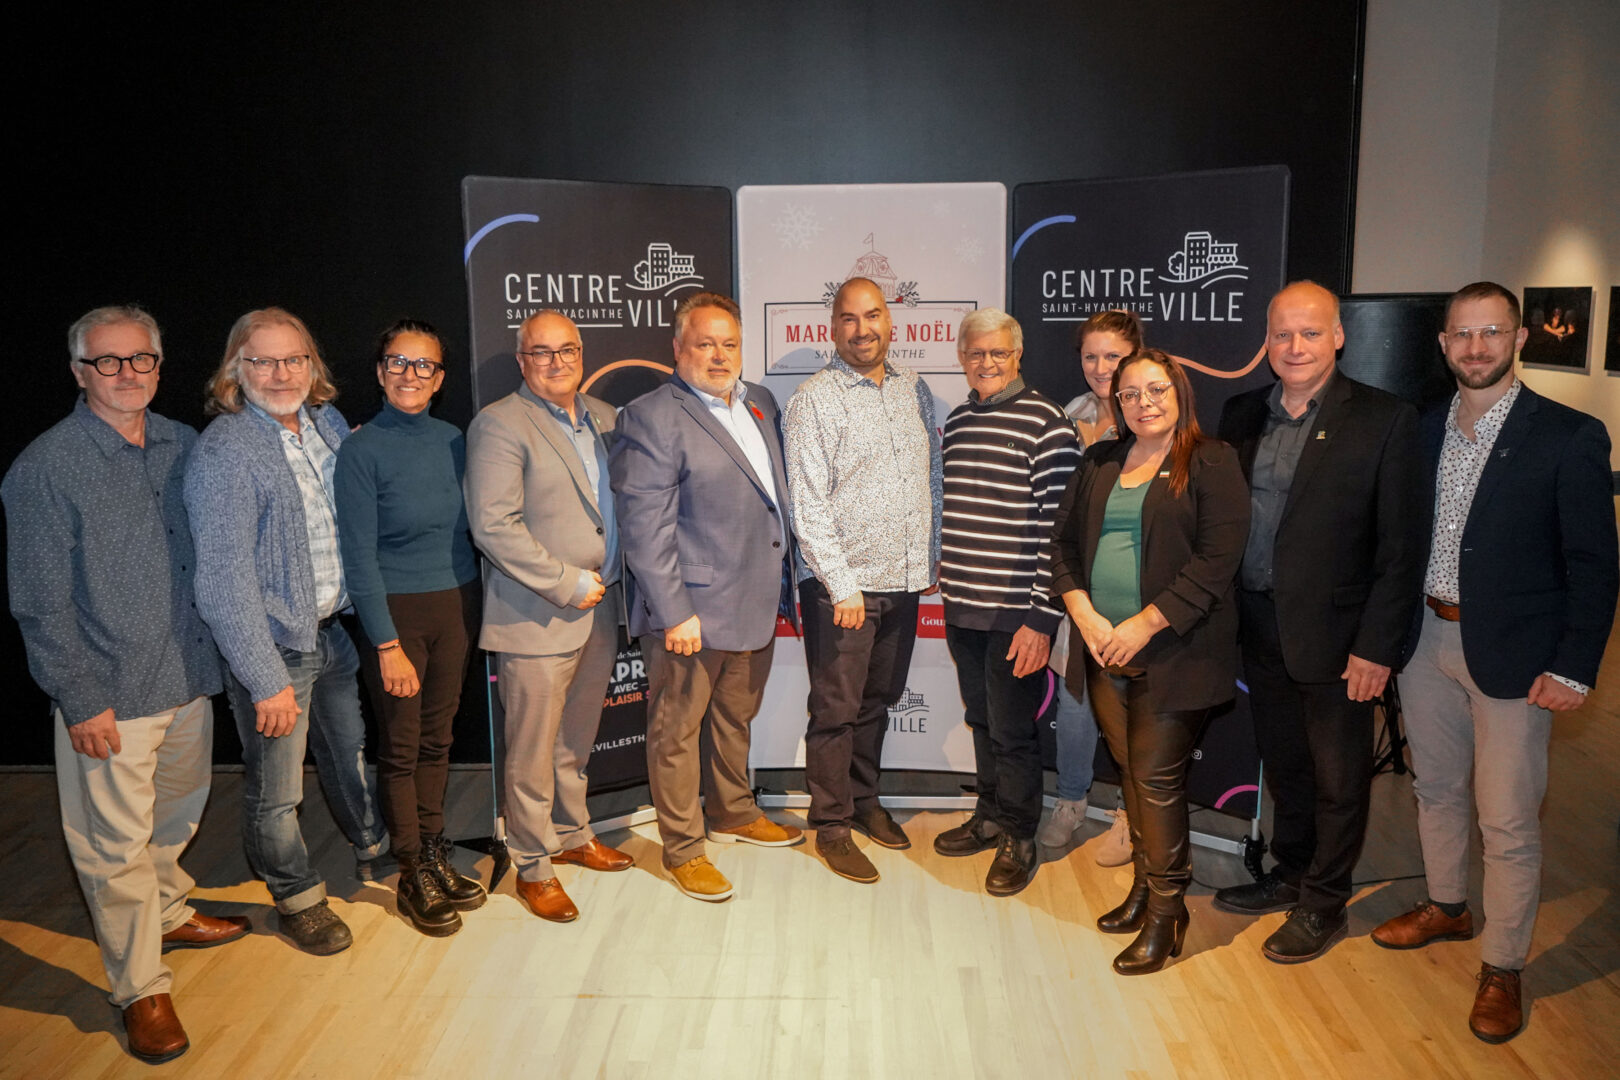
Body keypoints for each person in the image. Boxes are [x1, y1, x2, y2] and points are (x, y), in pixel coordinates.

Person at [1371, 281, 1617, 1043]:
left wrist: (1574, 666)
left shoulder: (1569, 435)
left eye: (1491, 333)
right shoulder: (1420, 427)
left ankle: (1503, 965)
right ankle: (1448, 906)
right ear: (1442, 345)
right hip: (1425, 639)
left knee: (1507, 819)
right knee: (1438, 790)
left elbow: (1595, 562)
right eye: (1461, 335)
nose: (1475, 348)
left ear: (1518, 339)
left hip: (1514, 654)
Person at [2, 306, 245, 1064]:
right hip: (108, 694)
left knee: (174, 818)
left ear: (159, 367)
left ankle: (169, 910)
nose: (127, 373)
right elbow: (38, 601)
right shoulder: (45, 468)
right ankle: (140, 987)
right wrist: (79, 697)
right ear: (79, 372)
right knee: (112, 848)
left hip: (186, 678)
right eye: (108, 362)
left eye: (141, 360)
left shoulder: (184, 444)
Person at [1213, 281, 1426, 964]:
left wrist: (1377, 647)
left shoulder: (1384, 419)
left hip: (1341, 642)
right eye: (1281, 334)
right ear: (1266, 342)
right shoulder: (1241, 412)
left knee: (1340, 780)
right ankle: (1292, 872)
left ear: (1338, 336)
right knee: (1288, 767)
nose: (1295, 346)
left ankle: (1325, 904)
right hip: (1259, 624)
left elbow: (1400, 549)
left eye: (1310, 332)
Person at [185, 307, 387, 957]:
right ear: (235, 370)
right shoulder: (224, 451)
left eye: (293, 359)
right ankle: (297, 896)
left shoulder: (325, 424)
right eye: (263, 361)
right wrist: (265, 679)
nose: (280, 374)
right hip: (273, 650)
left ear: (313, 365)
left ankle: (373, 849)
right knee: (278, 792)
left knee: (349, 753)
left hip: (331, 633)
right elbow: (221, 583)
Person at [1051, 348, 1249, 975]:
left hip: (1176, 653)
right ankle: (1144, 886)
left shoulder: (1212, 462)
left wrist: (1141, 625)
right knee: (1133, 775)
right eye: (1131, 393)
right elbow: (1060, 547)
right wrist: (1087, 620)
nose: (1144, 402)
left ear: (1179, 393)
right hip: (1104, 650)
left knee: (1157, 780)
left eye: (1156, 389)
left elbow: (1216, 563)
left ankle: (1169, 912)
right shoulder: (1099, 460)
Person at [609, 292, 802, 902]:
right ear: (677, 348)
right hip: (688, 613)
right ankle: (683, 848)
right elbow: (645, 527)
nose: (718, 356)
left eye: (729, 344)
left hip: (754, 600)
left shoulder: (762, 403)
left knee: (733, 719)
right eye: (704, 343)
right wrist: (674, 612)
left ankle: (734, 813)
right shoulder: (650, 416)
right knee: (675, 731)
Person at [463, 311, 634, 923]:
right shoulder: (500, 425)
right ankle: (532, 864)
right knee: (532, 749)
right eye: (542, 352)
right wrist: (566, 582)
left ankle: (572, 833)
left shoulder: (607, 419)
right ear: (521, 360)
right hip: (537, 611)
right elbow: (493, 527)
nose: (557, 362)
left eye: (568, 350)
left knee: (575, 739)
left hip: (603, 606)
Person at [783, 277, 942, 883]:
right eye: (848, 319)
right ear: (832, 328)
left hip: (904, 583)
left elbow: (930, 473)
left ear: (890, 321)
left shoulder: (914, 391)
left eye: (872, 315)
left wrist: (929, 556)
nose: (861, 329)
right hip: (841, 591)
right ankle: (830, 824)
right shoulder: (814, 400)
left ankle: (865, 801)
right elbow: (809, 504)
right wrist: (840, 584)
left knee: (877, 701)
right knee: (835, 710)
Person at [334, 320, 486, 937]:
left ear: (440, 378)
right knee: (399, 749)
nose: (409, 374)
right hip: (396, 613)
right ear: (379, 371)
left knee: (438, 740)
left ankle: (432, 850)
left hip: (456, 605)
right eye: (398, 362)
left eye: (423, 365)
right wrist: (386, 642)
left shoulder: (454, 440)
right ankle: (408, 873)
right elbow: (359, 554)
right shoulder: (361, 449)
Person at [937, 309, 1080, 895]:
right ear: (962, 358)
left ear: (1018, 356)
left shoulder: (1048, 424)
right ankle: (991, 814)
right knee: (981, 720)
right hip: (963, 606)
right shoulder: (959, 419)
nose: (987, 363)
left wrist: (1041, 619)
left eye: (998, 353)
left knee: (1012, 731)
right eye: (976, 354)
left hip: (1016, 615)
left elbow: (1059, 529)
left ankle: (1021, 835)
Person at [1041, 310, 1142, 860]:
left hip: (1134, 588)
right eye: (1091, 356)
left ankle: (1133, 815)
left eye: (1113, 355)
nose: (1102, 367)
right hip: (1075, 588)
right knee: (1075, 702)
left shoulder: (1154, 413)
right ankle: (1071, 801)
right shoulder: (1068, 416)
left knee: (1132, 708)